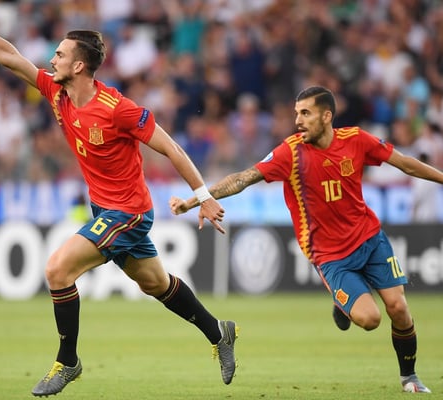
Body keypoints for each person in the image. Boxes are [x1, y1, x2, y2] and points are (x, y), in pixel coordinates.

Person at [0, 0, 239, 396]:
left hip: (128, 212)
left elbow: (172, 148)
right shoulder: (56, 92)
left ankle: (68, 361)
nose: (52, 59)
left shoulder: (118, 109)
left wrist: (203, 196)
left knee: (58, 270)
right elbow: (9, 56)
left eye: (60, 54)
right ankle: (219, 331)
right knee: (156, 284)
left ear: (79, 66)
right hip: (104, 208)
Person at [170, 86, 443, 394]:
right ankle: (343, 303)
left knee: (399, 309)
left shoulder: (356, 139)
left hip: (370, 238)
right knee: (370, 319)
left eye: (305, 113)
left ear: (326, 116)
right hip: (330, 256)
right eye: (296, 113)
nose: (298, 120)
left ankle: (409, 378)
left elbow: (405, 162)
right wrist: (195, 200)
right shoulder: (290, 152)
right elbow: (242, 178)